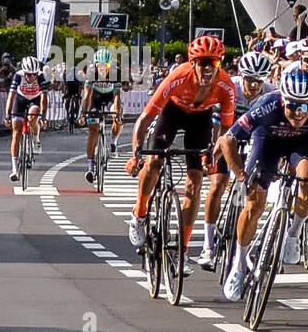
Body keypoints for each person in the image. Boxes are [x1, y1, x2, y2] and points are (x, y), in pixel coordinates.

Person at [217, 66, 308, 301]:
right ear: (283, 100)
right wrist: (241, 175)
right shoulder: (267, 105)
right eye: (293, 106)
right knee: (254, 204)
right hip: (267, 140)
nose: (298, 112)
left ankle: (293, 233)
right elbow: (227, 141)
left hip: (301, 143)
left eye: (305, 106)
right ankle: (238, 266)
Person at [124, 35, 236, 257]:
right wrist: (136, 153)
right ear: (192, 63)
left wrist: (212, 156)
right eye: (202, 63)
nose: (207, 68)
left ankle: (183, 248)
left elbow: (225, 131)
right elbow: (144, 120)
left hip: (200, 118)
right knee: (154, 161)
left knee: (195, 182)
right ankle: (140, 212)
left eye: (213, 63)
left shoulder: (226, 86)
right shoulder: (177, 78)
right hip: (172, 113)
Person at [196, 50, 272, 269]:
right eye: (250, 79)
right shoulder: (230, 88)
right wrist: (212, 152)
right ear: (242, 75)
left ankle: (245, 246)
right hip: (226, 135)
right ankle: (208, 246)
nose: (254, 85)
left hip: (252, 140)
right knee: (217, 184)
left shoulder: (269, 94)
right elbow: (219, 127)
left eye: (258, 80)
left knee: (254, 193)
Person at [80, 53, 124, 185]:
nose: (103, 68)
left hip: (110, 97)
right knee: (93, 130)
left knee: (118, 115)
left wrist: (117, 113)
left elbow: (117, 96)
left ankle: (113, 142)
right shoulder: (91, 73)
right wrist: (83, 113)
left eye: (106, 65)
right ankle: (90, 167)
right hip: (96, 99)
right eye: (100, 65)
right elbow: (87, 96)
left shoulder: (116, 73)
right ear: (96, 65)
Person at [4, 56, 48, 181]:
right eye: (28, 75)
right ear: (24, 72)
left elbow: (44, 99)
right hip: (21, 99)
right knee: (16, 132)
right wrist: (7, 115)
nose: (31, 78)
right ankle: (14, 168)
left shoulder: (41, 77)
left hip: (35, 99)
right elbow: (11, 96)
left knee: (33, 116)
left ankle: (35, 138)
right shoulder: (18, 76)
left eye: (34, 74)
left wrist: (44, 117)